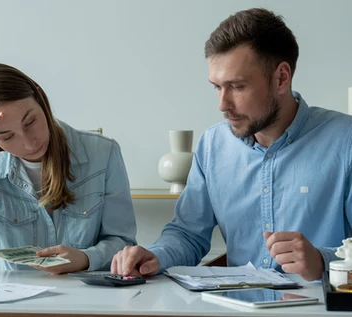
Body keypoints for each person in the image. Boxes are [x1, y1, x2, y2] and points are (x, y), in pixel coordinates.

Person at [111, 7, 352, 281]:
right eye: (217, 86)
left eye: (237, 86)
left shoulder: (346, 141)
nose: (222, 104)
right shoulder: (213, 145)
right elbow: (188, 234)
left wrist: (323, 261)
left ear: (281, 78)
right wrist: (156, 255)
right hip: (236, 306)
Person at [0, 63, 137, 273]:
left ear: (42, 101)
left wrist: (86, 258)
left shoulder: (103, 153)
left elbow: (123, 241)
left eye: (30, 121)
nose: (29, 143)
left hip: (88, 298)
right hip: (14, 304)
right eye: (7, 136)